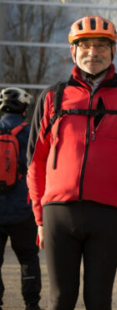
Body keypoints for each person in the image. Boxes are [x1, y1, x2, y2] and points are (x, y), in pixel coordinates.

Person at [27, 16, 117, 310]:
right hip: (58, 214)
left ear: (113, 51)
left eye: (101, 45)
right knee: (60, 300)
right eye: (85, 45)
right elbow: (35, 162)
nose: (93, 52)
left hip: (108, 216)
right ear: (73, 51)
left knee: (99, 301)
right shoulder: (52, 97)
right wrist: (39, 218)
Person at [0, 87, 41, 310]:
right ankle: (31, 304)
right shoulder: (29, 133)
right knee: (28, 258)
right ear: (24, 109)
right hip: (23, 210)